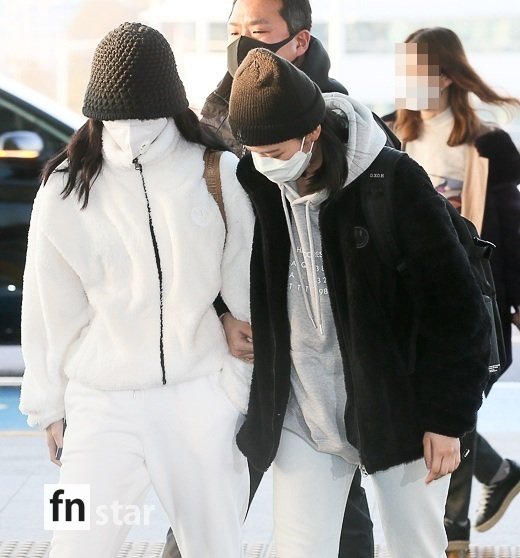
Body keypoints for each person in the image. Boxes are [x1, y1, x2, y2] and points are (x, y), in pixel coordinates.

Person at [226, 46, 491, 558]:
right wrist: (223, 314)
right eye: (254, 151)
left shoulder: (391, 181)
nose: (265, 164)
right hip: (303, 411)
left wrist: (446, 419)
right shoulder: (254, 182)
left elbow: (456, 310)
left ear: (312, 132)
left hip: (399, 408)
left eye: (276, 152)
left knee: (415, 548)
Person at [18, 22, 255, 558]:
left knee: (217, 549)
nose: (129, 129)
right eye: (115, 115)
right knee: (73, 546)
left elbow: (245, 291)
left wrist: (232, 394)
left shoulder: (219, 173)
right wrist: (49, 406)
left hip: (200, 399)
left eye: (144, 114)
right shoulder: (64, 188)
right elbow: (48, 306)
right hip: (98, 408)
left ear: (170, 106)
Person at [163, 1, 382, 557]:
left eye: (258, 32)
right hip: (244, 348)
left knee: (339, 505)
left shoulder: (345, 122)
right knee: (211, 494)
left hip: (320, 359)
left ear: (299, 41)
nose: (242, 47)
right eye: (234, 32)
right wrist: (220, 312)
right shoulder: (212, 118)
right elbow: (192, 235)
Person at [387, 27, 520, 557]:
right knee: (436, 409)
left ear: (444, 77)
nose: (404, 81)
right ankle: (498, 474)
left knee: (455, 407)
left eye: (414, 71)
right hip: (406, 299)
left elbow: (510, 230)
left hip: (473, 297)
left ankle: (455, 532)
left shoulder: (488, 144)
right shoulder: (387, 135)